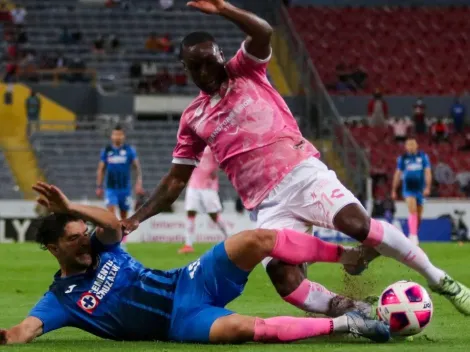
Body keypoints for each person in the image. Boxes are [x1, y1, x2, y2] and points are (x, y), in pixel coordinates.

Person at [122, 0, 470, 317]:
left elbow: (263, 32)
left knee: (357, 224)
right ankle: (360, 313)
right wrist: (135, 219)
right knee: (283, 278)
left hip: (302, 173)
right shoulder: (193, 118)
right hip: (266, 204)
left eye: (210, 62)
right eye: (195, 67)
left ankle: (443, 282)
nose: (206, 72)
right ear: (185, 68)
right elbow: (174, 181)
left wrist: (224, 9)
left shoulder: (245, 70)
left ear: (220, 56)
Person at [0, 181, 391, 345]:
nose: (84, 240)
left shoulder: (103, 247)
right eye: (73, 239)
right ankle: (347, 324)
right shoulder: (61, 299)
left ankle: (349, 255)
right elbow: (21, 333)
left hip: (189, 280)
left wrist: (69, 208)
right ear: (53, 249)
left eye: (83, 233)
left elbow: (107, 220)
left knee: (255, 240)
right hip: (179, 322)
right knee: (243, 328)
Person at [179, 146, 229, 254]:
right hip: (193, 184)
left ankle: (229, 237)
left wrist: (216, 169)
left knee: (213, 215)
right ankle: (188, 245)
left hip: (208, 186)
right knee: (190, 212)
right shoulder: (195, 144)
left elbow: (223, 159)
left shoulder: (212, 145)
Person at [96, 125, 143, 221]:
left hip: (125, 189)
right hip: (111, 189)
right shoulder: (107, 150)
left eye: (120, 134)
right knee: (111, 217)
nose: (117, 136)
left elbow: (137, 168)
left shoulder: (129, 150)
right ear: (111, 136)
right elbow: (101, 169)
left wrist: (138, 183)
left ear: (123, 136)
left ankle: (122, 236)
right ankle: (115, 236)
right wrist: (99, 186)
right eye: (115, 134)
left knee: (124, 218)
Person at [391, 138, 432, 246]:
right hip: (408, 189)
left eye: (412, 144)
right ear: (405, 147)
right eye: (408, 145)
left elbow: (427, 172)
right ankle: (413, 236)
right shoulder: (403, 159)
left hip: (420, 189)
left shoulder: (423, 157)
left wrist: (427, 187)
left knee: (419, 216)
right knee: (412, 210)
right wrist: (394, 190)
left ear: (417, 145)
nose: (410, 146)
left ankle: (413, 234)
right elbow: (397, 174)